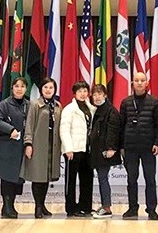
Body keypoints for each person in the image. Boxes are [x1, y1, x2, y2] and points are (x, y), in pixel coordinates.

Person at [119, 72, 158, 220]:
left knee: (150, 180)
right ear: (132, 83)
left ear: (146, 83)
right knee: (131, 179)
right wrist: (121, 146)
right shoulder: (126, 102)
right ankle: (132, 208)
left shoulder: (154, 102)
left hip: (148, 147)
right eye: (136, 80)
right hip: (130, 147)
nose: (139, 83)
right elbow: (121, 125)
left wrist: (157, 143)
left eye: (142, 80)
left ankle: (152, 209)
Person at [21, 78, 62, 219]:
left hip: (52, 146)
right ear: (41, 89)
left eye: (51, 87)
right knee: (37, 177)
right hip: (38, 145)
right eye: (45, 87)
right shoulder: (34, 104)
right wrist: (28, 143)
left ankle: (43, 204)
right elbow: (29, 125)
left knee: (46, 177)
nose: (48, 90)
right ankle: (37, 206)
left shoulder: (57, 106)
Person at [0, 77, 29, 219]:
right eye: (16, 86)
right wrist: (10, 129)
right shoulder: (5, 104)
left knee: (17, 178)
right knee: (7, 177)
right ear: (12, 88)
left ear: (26, 89)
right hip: (7, 146)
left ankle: (11, 204)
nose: (19, 89)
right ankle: (6, 205)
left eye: (22, 86)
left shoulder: (28, 105)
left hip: (21, 147)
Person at [60, 81, 96, 218]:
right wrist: (68, 148)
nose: (83, 94)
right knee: (71, 180)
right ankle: (71, 208)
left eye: (85, 91)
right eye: (80, 91)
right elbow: (64, 130)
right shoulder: (69, 109)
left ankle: (85, 206)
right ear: (74, 93)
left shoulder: (91, 108)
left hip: (87, 149)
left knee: (87, 179)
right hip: (73, 150)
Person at [89, 83, 121, 219]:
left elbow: (113, 131)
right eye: (94, 94)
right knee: (102, 178)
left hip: (105, 151)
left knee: (103, 178)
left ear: (105, 95)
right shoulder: (97, 109)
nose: (97, 97)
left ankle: (107, 208)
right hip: (97, 150)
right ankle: (104, 205)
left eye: (100, 94)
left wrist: (110, 148)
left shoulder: (110, 111)